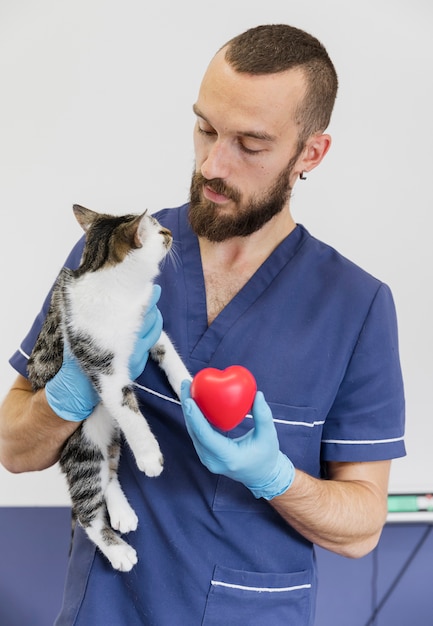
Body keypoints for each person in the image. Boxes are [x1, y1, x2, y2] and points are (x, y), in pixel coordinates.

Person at [0, 24, 405, 626]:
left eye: (251, 143)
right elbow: (13, 446)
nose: (213, 163)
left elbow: (361, 528)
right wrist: (73, 391)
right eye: (206, 128)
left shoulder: (357, 305)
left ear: (310, 154)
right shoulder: (110, 258)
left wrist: (273, 476)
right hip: (104, 608)